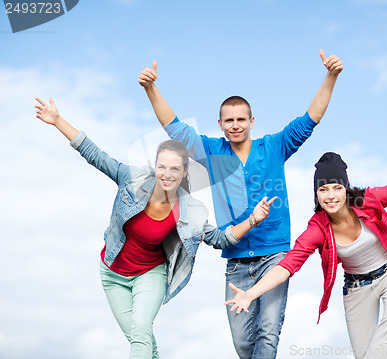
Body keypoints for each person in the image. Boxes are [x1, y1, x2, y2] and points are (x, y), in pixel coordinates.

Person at [33, 97, 277, 359]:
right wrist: (57, 120)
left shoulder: (189, 211)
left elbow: (220, 238)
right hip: (112, 273)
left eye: (175, 169)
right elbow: (96, 155)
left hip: (150, 273)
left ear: (185, 172)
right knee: (142, 339)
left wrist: (252, 220)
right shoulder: (134, 180)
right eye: (162, 167)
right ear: (155, 166)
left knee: (140, 332)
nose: (167, 174)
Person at [137, 51, 343, 358]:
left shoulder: (273, 146)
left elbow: (310, 119)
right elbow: (175, 127)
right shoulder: (212, 151)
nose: (235, 125)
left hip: (274, 256)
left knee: (268, 334)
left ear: (251, 121)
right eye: (229, 120)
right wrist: (150, 88)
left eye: (241, 119)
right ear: (220, 123)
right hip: (236, 262)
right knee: (244, 344)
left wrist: (331, 76)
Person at [225, 151, 387, 359]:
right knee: (365, 354)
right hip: (357, 288)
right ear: (317, 194)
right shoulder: (318, 227)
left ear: (346, 188)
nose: (331, 195)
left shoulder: (369, 200)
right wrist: (250, 293)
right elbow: (288, 265)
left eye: (336, 187)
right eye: (323, 189)